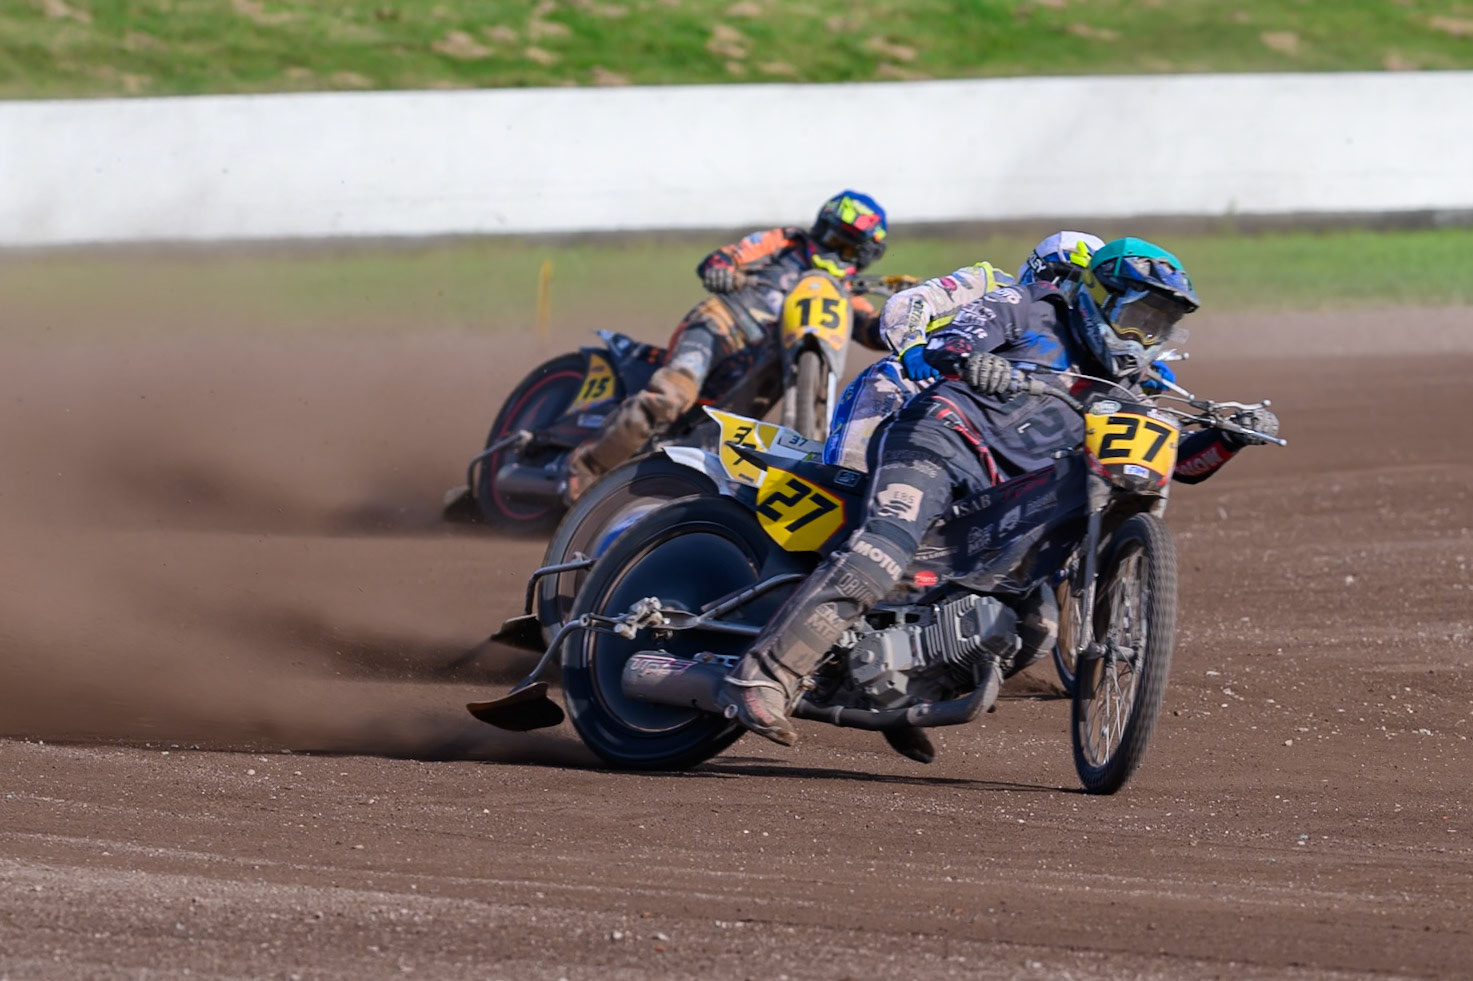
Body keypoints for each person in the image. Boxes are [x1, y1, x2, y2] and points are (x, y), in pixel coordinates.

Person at [718, 237, 1280, 754]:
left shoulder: (1130, 383)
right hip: (939, 440)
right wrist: (970, 360)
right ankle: (762, 675)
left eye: (1157, 326)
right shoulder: (1024, 305)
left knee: (1033, 626)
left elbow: (1176, 462)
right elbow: (947, 340)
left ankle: (892, 698)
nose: (1142, 336)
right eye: (1136, 317)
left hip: (1003, 487)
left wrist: (1227, 436)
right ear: (1100, 297)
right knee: (881, 551)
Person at [564, 191, 892, 501]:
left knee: (725, 443)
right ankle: (586, 468)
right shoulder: (785, 242)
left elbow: (873, 331)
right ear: (820, 229)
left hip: (760, 365)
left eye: (847, 250)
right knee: (671, 396)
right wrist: (722, 270)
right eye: (833, 241)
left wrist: (905, 310)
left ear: (862, 258)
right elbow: (725, 257)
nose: (835, 254)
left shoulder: (844, 295)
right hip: (720, 326)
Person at [824, 232, 1102, 471]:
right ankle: (846, 473)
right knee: (890, 376)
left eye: (1085, 291)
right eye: (1069, 283)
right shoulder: (988, 283)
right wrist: (913, 348)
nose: (1073, 297)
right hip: (924, 389)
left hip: (994, 429)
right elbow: (910, 301)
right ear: (1041, 269)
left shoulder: (1088, 345)